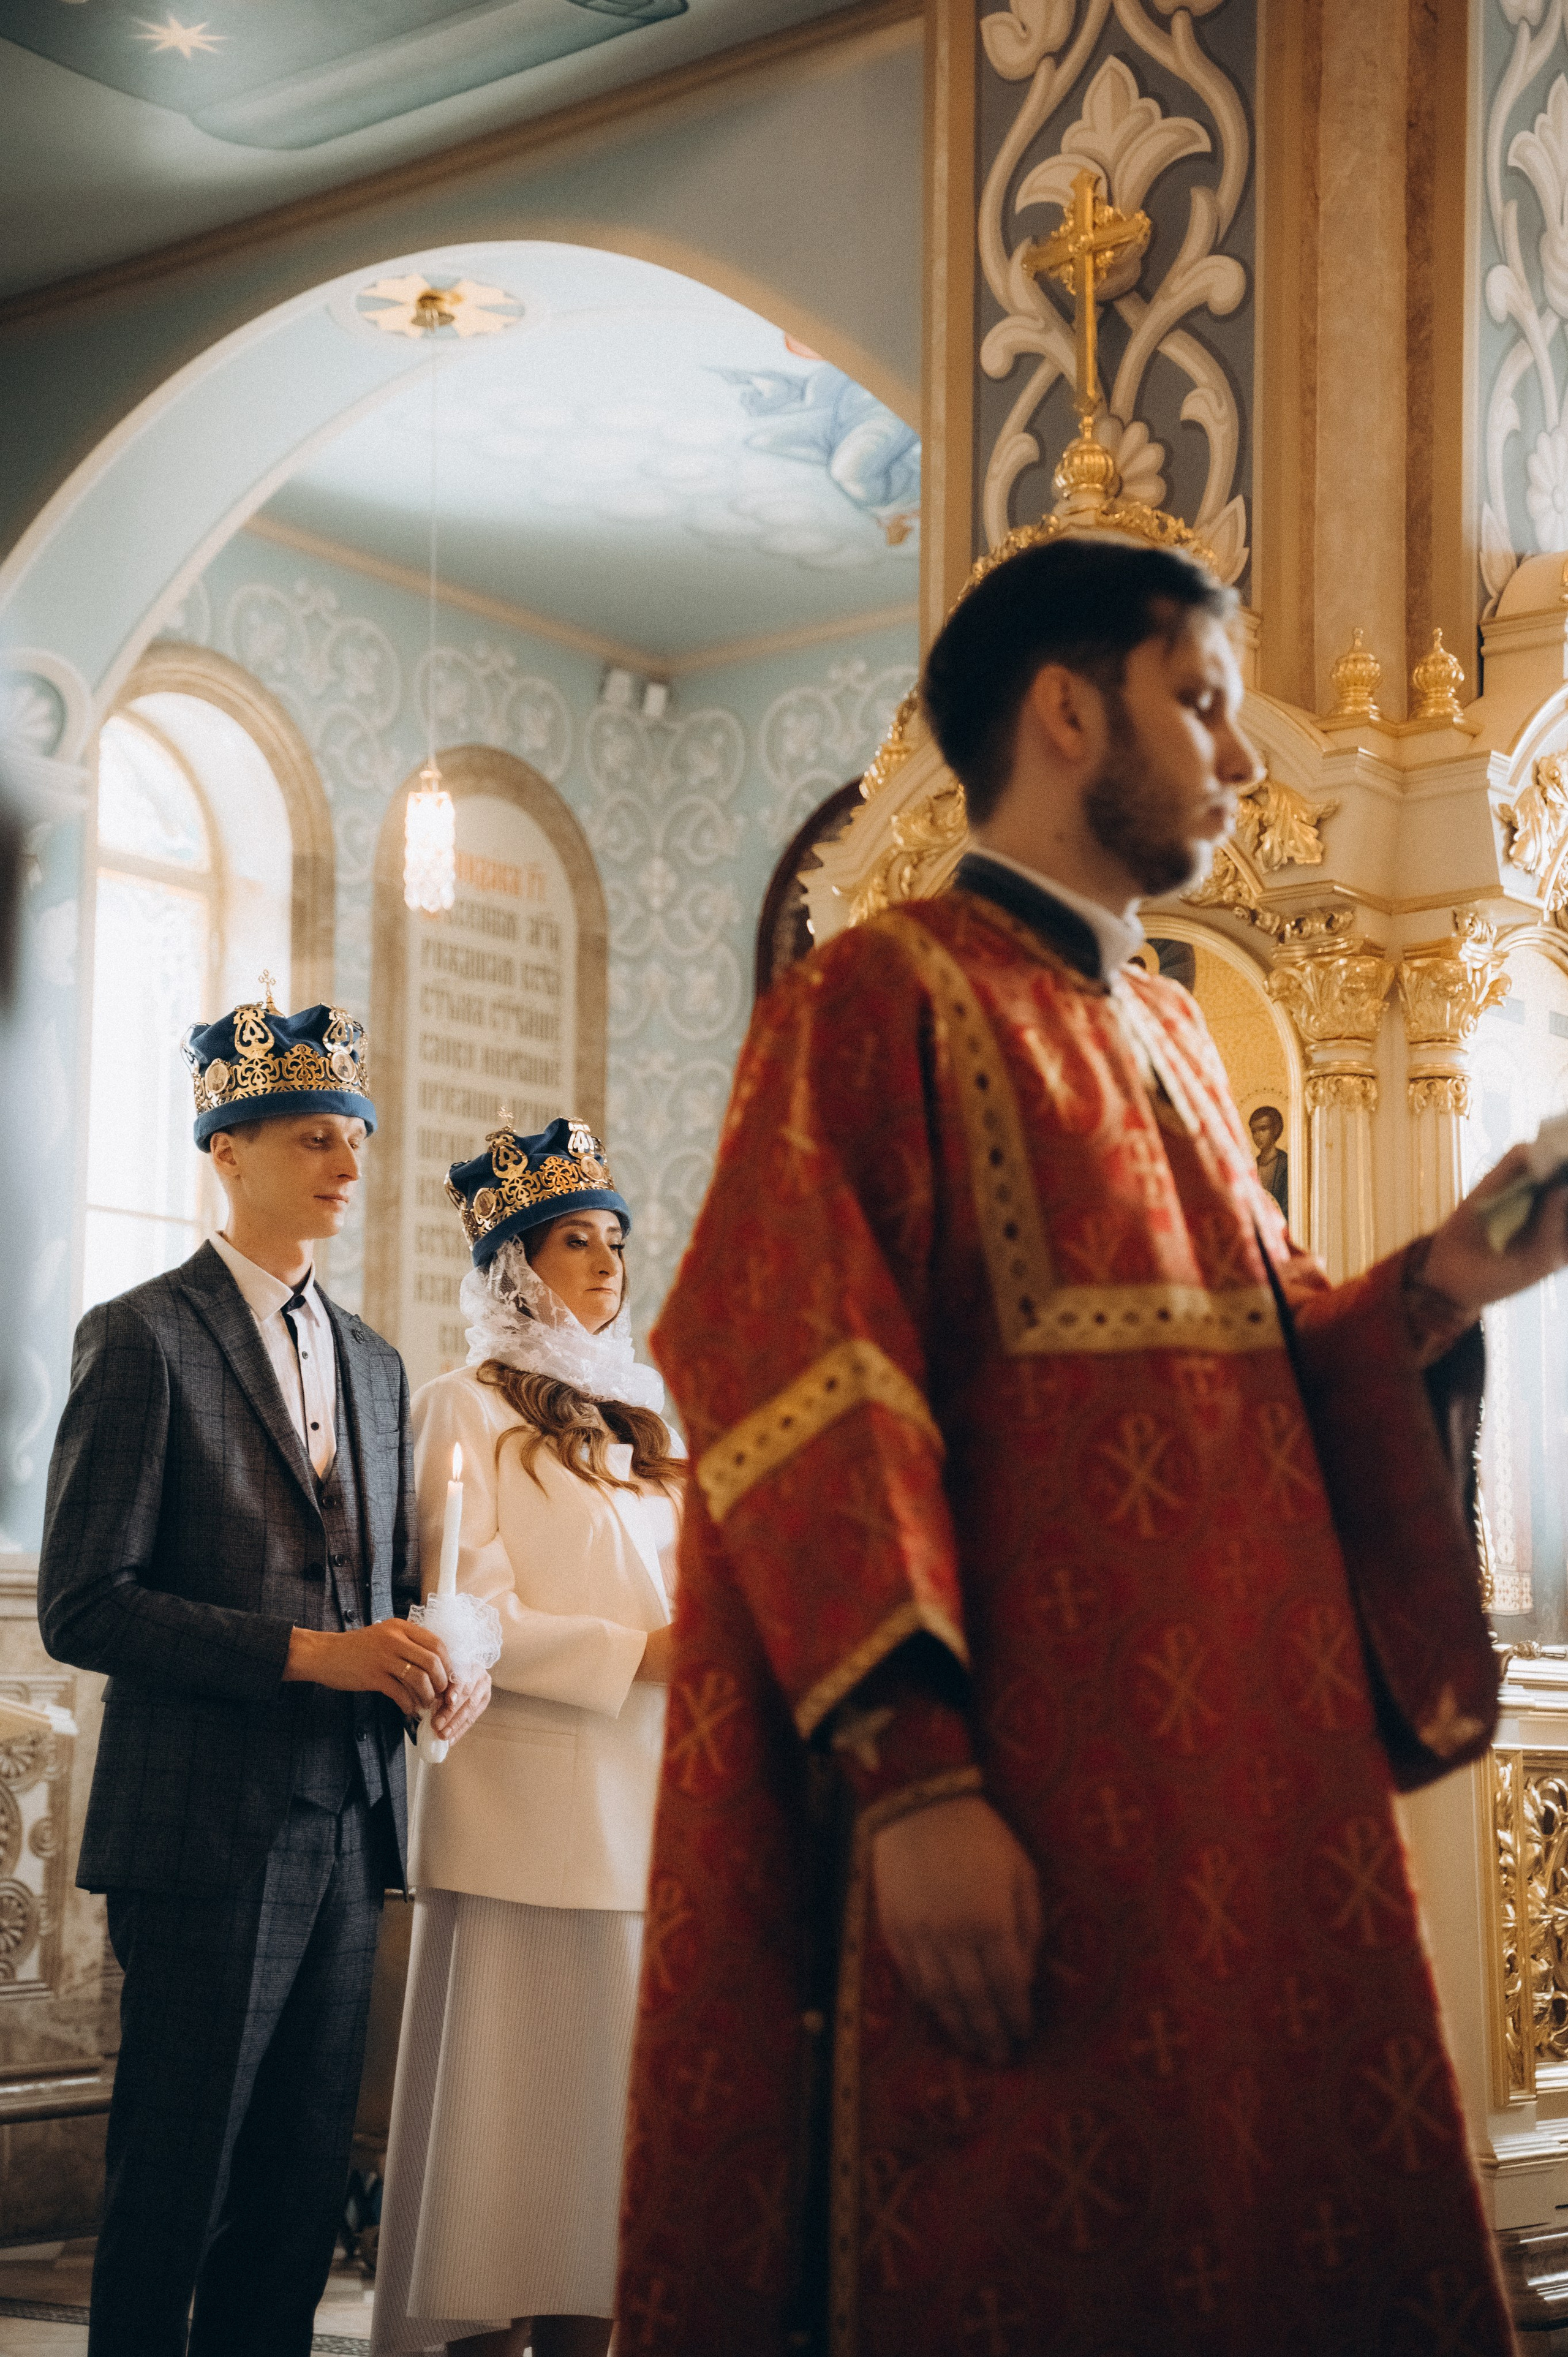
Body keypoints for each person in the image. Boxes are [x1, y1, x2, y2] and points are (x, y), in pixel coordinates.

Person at [617, 536, 1562, 2355]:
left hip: (1232, 1814)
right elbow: (790, 1372)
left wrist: (1447, 1277)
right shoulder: (871, 1001)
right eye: (1199, 701)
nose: (1235, 754)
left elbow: (1270, 1373)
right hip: (1015, 1812)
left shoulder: (1173, 1036)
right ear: (1066, 711)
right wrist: (915, 1781)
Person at [38, 986, 490, 2357]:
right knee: (174, 2187)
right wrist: (312, 1653)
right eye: (312, 1137)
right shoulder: (142, 1337)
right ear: (226, 1150)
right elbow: (86, 1606)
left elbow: (384, 1591)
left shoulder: (374, 1359)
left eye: (352, 1137)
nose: (349, 1165)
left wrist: (434, 1658)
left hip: (350, 1824)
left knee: (297, 2201)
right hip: (201, 1830)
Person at [372, 1116, 682, 2357]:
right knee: (506, 2145)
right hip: (527, 1831)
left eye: (614, 1238)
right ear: (513, 1257)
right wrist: (641, 1653)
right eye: (573, 1239)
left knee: (608, 2153)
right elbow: (471, 1608)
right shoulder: (461, 1407)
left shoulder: (653, 1423)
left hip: (648, 1816)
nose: (605, 1262)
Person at [1250, 1101, 1289, 1219]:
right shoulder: (1252, 1165)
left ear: (1276, 1129)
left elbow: (1288, 1206)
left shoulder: (1285, 1164)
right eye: (1254, 1131)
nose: (1258, 1136)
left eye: (1263, 1129)